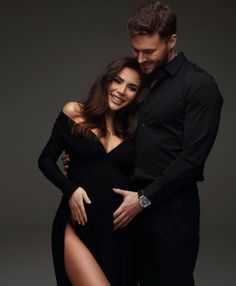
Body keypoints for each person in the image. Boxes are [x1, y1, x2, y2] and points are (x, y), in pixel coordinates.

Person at [110, 2, 223, 286]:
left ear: (172, 40)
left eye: (148, 51)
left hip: (171, 212)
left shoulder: (199, 85)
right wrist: (84, 155)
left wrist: (144, 199)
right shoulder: (137, 80)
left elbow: (192, 159)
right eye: (135, 50)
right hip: (128, 207)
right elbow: (119, 133)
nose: (140, 58)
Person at [38, 57, 146, 286]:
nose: (121, 90)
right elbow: (45, 160)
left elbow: (145, 178)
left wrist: (142, 201)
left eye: (132, 87)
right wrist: (71, 190)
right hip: (77, 225)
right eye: (117, 81)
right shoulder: (75, 112)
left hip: (121, 233)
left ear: (138, 95)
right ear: (107, 80)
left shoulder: (136, 134)